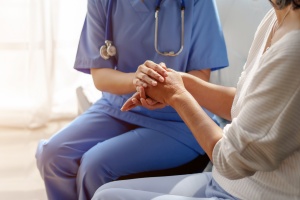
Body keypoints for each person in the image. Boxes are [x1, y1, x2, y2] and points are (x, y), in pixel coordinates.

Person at [91, 0, 300, 199]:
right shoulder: (275, 18)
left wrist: (177, 96)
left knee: (104, 191)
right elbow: (245, 106)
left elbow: (232, 159)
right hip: (222, 182)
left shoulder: (293, 48)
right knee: (103, 191)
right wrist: (179, 81)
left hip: (252, 193)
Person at [35, 0, 228, 199]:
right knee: (52, 156)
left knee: (95, 166)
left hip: (179, 118)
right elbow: (100, 76)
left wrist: (163, 88)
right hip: (118, 107)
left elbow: (200, 76)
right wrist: (138, 80)